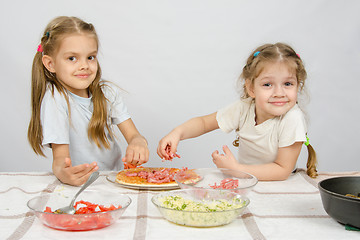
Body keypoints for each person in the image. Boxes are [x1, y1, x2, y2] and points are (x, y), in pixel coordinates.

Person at [157, 43, 317, 181]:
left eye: (288, 83)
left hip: (280, 186)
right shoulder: (244, 108)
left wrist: (237, 169)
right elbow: (204, 123)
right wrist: (177, 133)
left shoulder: (293, 118)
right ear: (251, 88)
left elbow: (282, 170)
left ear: (298, 85)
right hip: (247, 180)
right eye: (268, 84)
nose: (279, 92)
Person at [28, 16, 149, 186]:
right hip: (80, 184)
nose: (84, 65)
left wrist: (138, 143)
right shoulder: (56, 100)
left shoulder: (107, 93)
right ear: (50, 64)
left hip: (114, 179)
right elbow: (60, 160)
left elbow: (134, 135)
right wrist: (64, 173)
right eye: (72, 58)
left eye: (90, 57)